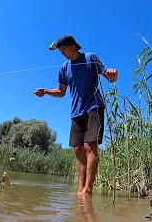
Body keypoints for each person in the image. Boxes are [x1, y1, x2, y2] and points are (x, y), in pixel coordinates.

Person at [33, 35, 118, 195]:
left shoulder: (91, 58)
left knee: (90, 146)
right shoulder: (64, 68)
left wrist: (113, 74)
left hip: (94, 107)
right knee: (78, 149)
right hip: (76, 112)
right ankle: (80, 189)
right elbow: (61, 92)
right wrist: (45, 91)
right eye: (60, 51)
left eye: (63, 49)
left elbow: (110, 77)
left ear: (72, 46)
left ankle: (88, 189)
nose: (62, 53)